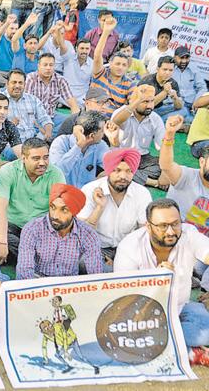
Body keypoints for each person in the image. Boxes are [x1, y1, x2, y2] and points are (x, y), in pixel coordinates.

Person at [114, 199, 209, 363]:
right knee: (125, 337)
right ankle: (186, 351)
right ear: (148, 226)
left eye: (175, 223)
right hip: (141, 314)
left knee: (204, 334)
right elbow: (124, 296)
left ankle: (174, 346)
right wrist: (156, 281)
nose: (171, 231)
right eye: (163, 226)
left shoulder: (189, 234)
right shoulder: (129, 246)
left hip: (179, 309)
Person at [0, 137, 66, 264]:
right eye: (36, 158)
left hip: (40, 227)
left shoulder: (56, 174)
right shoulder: (8, 171)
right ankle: (36, 259)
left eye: (46, 157)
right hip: (12, 224)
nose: (42, 163)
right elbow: (0, 208)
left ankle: (25, 258)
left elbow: (60, 211)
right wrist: (2, 242)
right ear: (23, 158)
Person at [79, 148, 152, 268]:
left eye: (128, 171)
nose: (123, 176)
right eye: (117, 170)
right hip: (97, 249)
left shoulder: (142, 193)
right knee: (84, 263)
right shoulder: (90, 190)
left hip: (128, 249)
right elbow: (83, 234)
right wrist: (99, 207)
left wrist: (123, 258)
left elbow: (144, 232)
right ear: (108, 171)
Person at [17, 183, 103, 279]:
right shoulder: (32, 229)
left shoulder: (88, 234)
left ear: (74, 212)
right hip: (38, 283)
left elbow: (96, 274)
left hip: (69, 285)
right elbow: (24, 271)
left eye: (64, 210)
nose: (55, 216)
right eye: (53, 207)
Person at [160, 115, 209, 236]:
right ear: (202, 161)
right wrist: (169, 135)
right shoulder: (187, 176)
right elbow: (166, 165)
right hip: (175, 237)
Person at [111, 84, 166, 187]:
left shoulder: (156, 119)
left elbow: (163, 146)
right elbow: (116, 121)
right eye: (145, 101)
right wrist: (135, 102)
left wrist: (165, 172)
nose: (150, 106)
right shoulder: (121, 113)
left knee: (165, 166)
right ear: (134, 101)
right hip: (121, 156)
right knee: (113, 165)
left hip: (143, 158)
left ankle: (131, 176)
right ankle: (152, 182)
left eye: (152, 101)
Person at [49, 111, 109, 188]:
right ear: (92, 135)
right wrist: (79, 146)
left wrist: (114, 143)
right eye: (102, 131)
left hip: (86, 194)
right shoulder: (61, 142)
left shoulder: (100, 144)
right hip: (61, 193)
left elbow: (113, 166)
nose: (104, 134)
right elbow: (58, 173)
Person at [90, 17, 135, 116]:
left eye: (124, 65)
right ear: (110, 63)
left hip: (113, 122)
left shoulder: (129, 84)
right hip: (92, 116)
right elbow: (97, 56)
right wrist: (106, 31)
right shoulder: (100, 73)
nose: (120, 67)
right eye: (117, 64)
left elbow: (133, 104)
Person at [24, 53, 80, 129]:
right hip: (33, 119)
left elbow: (73, 104)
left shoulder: (60, 80)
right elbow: (25, 104)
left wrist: (76, 123)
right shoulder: (31, 78)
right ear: (39, 66)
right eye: (45, 65)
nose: (48, 68)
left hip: (51, 117)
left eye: (51, 65)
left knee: (69, 122)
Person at [4, 69, 53, 143]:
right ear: (7, 84)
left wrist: (48, 132)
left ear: (24, 84)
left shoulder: (33, 99)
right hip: (11, 142)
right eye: (14, 82)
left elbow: (45, 118)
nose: (17, 86)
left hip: (32, 140)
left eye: (20, 83)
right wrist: (10, 126)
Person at [138, 56, 189, 122]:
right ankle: (160, 122)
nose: (167, 73)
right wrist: (165, 92)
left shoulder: (173, 83)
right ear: (158, 69)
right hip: (144, 111)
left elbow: (179, 107)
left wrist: (175, 97)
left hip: (160, 109)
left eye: (170, 70)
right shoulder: (147, 81)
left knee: (184, 110)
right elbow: (145, 106)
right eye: (165, 69)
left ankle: (159, 122)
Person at [172, 46, 207, 112]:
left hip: (191, 104)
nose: (184, 61)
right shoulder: (170, 69)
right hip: (174, 104)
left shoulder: (193, 69)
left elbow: (202, 87)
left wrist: (197, 101)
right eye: (181, 58)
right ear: (175, 58)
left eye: (187, 58)